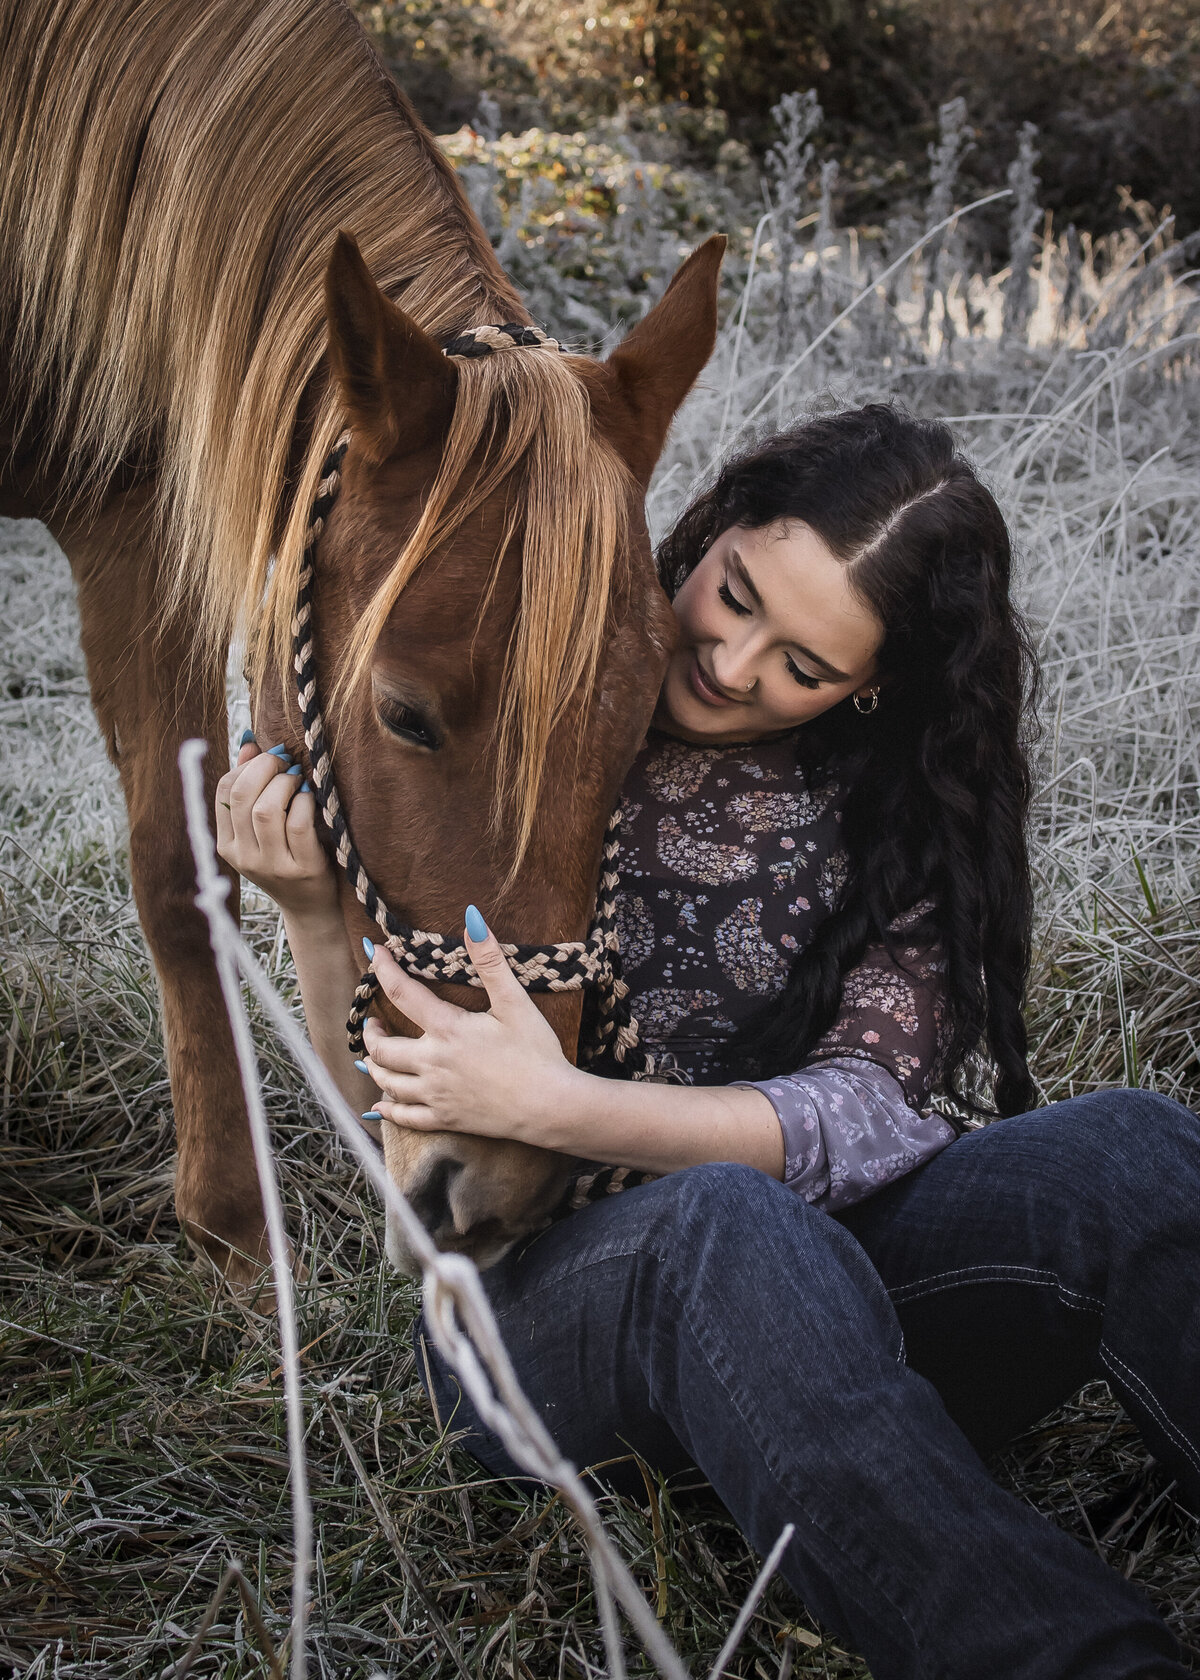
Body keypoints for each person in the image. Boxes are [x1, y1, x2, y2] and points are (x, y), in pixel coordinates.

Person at [216, 404, 1199, 1678]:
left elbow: (864, 1114)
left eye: (804, 666)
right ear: (710, 526)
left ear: (873, 685)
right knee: (724, 1221)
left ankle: (868, 1458)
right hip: (547, 1323)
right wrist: (308, 910)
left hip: (831, 1301)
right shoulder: (537, 710)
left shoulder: (900, 819)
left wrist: (565, 1105)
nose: (733, 666)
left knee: (1133, 1150)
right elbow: (397, 1125)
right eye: (733, 597)